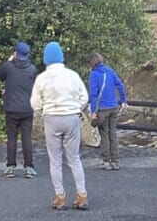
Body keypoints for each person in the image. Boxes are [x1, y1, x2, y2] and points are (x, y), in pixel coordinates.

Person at [31, 41, 89, 210]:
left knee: (55, 159)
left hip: (52, 118)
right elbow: (84, 97)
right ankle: (82, 195)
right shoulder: (73, 75)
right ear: (62, 57)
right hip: (71, 117)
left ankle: (60, 197)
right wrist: (76, 108)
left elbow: (35, 103)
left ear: (46, 59)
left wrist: (43, 111)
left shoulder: (41, 78)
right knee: (74, 158)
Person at [0, 41, 38, 178]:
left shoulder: (8, 67)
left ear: (15, 53)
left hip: (11, 108)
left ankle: (10, 167)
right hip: (27, 108)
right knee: (27, 138)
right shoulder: (32, 69)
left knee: (11, 137)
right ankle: (29, 167)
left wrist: (9, 60)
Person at [87, 52, 128, 170]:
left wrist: (94, 111)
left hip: (102, 109)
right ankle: (115, 161)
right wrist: (124, 100)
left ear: (92, 63)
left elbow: (94, 95)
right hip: (114, 107)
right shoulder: (110, 71)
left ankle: (106, 161)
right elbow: (120, 85)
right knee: (113, 133)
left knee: (104, 134)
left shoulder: (94, 75)